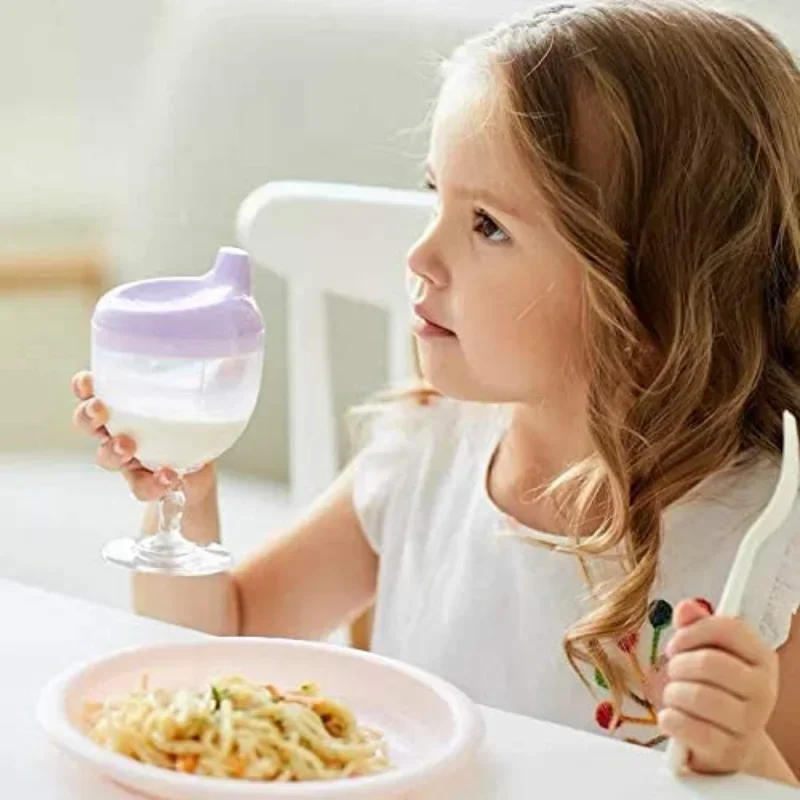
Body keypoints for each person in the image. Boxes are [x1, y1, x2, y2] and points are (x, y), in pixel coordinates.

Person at [72, 0, 800, 784]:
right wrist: (182, 499)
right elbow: (224, 638)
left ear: (653, 287)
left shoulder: (763, 535)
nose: (419, 254)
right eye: (435, 197)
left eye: (486, 224)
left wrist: (741, 751)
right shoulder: (423, 453)